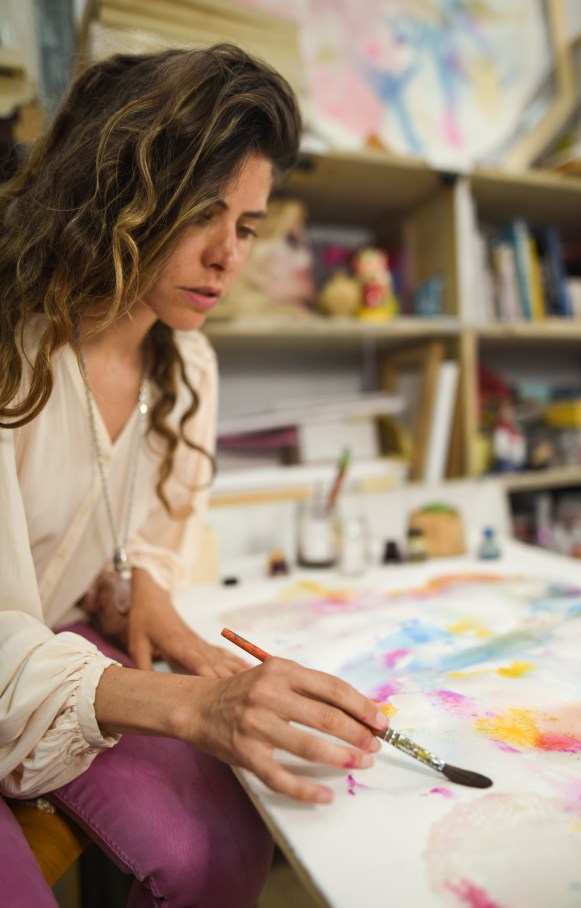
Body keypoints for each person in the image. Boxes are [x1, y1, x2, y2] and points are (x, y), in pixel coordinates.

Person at [0, 43, 389, 907]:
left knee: (213, 848)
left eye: (247, 225)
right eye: (199, 215)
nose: (228, 256)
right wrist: (189, 710)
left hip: (51, 654)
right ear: (117, 195)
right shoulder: (13, 353)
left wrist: (136, 592)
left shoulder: (190, 366)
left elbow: (129, 541)